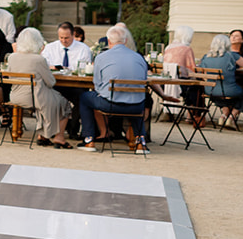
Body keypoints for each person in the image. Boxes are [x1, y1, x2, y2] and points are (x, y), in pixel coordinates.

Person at [78, 24, 150, 153]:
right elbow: (143, 81)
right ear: (126, 40)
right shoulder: (139, 58)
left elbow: (97, 84)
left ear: (108, 41)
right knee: (136, 99)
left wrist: (105, 93)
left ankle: (89, 139)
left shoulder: (101, 57)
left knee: (84, 97)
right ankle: (141, 143)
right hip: (137, 106)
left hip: (110, 104)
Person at [10, 27, 72, 146]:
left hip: (15, 96)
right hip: (35, 98)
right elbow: (51, 82)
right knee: (65, 104)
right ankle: (58, 137)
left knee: (48, 100)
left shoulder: (12, 57)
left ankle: (43, 135)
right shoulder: (39, 59)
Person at [198, 32, 243, 129]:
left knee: (219, 94)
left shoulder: (206, 57)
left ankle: (223, 115)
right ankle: (232, 117)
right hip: (229, 89)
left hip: (210, 90)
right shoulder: (232, 55)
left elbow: (198, 69)